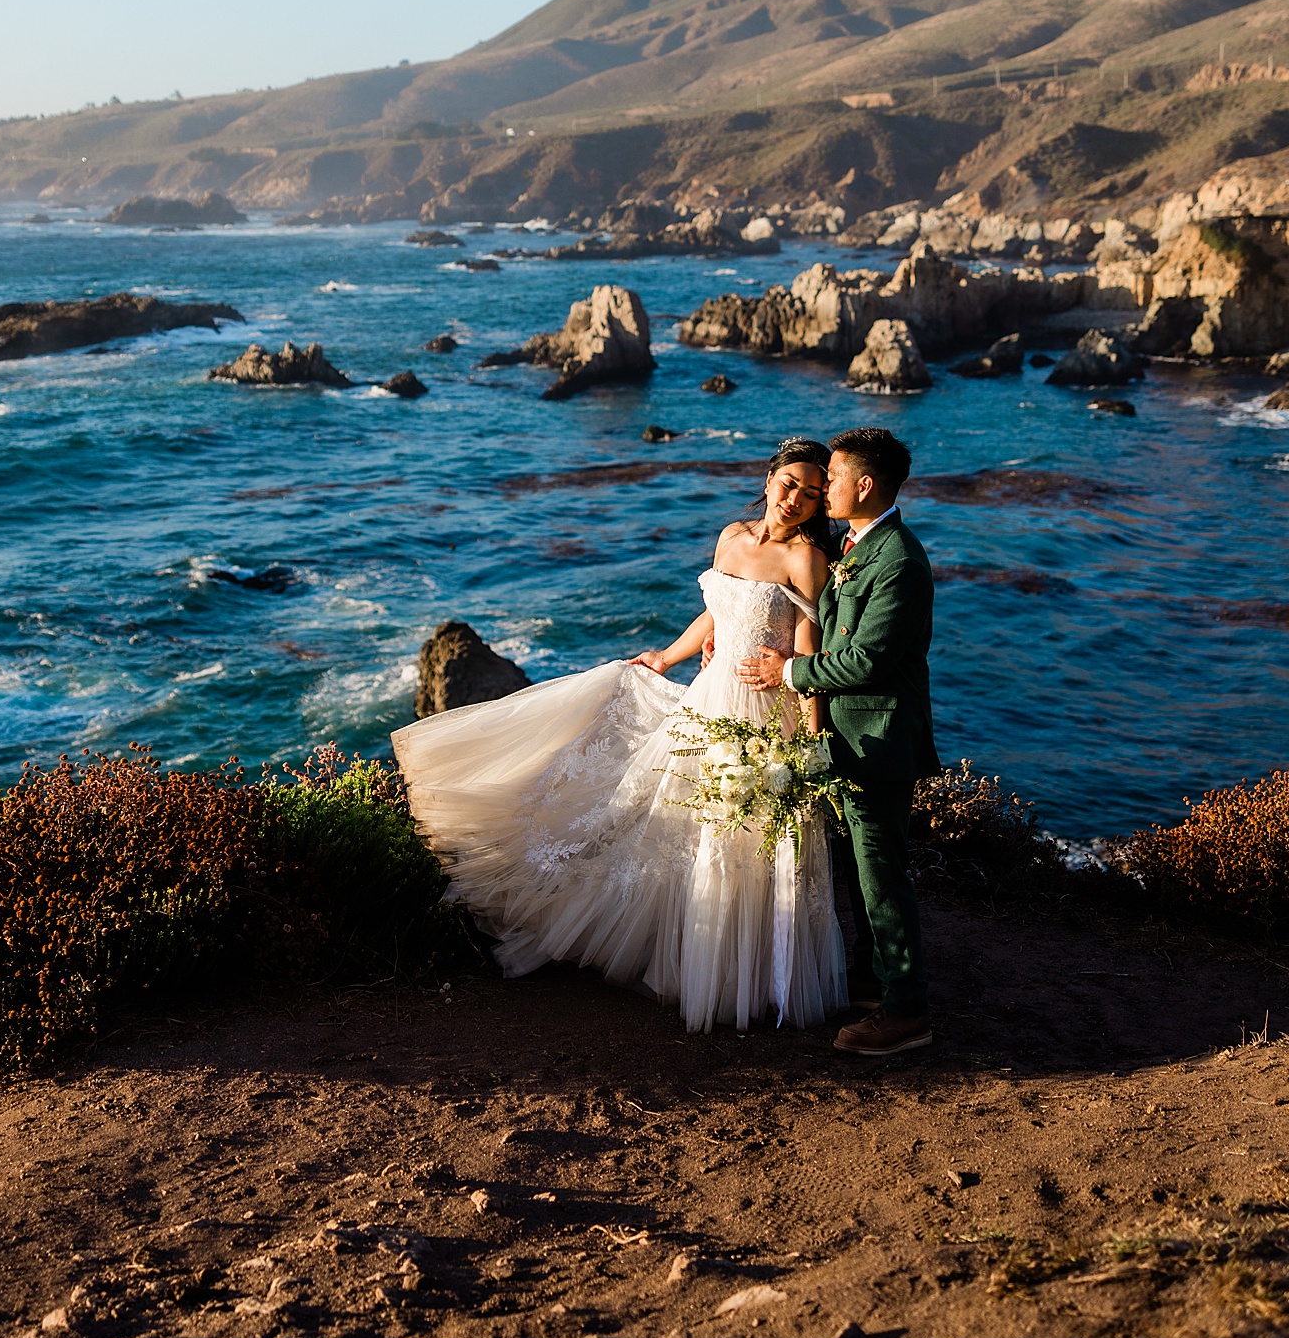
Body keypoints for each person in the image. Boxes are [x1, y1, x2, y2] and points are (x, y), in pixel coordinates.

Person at [392, 439, 852, 1032]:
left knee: (738, 837)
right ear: (768, 480)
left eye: (812, 494)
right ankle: (686, 949)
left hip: (763, 709)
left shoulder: (806, 558)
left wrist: (808, 746)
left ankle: (741, 974)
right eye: (790, 484)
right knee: (675, 824)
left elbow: (808, 648)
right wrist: (667, 656)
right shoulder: (732, 536)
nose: (797, 500)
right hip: (711, 694)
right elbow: (719, 611)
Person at [736, 426, 937, 1056]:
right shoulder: (858, 545)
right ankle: (875, 982)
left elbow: (867, 660)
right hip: (850, 741)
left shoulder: (899, 559)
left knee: (881, 877)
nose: (824, 493)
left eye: (835, 480)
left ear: (865, 485)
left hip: (877, 741)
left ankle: (905, 1012)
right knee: (856, 870)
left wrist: (787, 672)